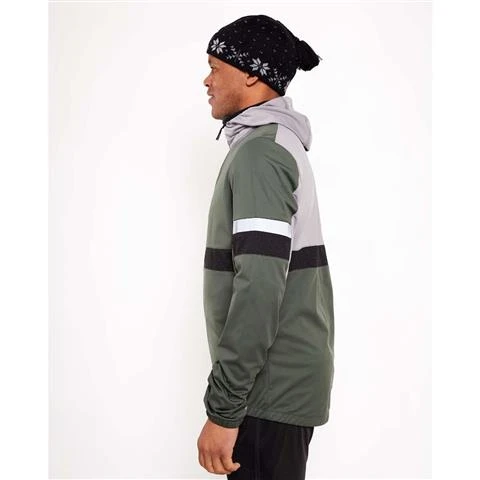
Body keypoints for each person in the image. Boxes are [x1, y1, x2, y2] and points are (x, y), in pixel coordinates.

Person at [197, 14, 335, 479]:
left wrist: (224, 409)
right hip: (275, 389)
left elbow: (258, 287)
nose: (207, 80)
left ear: (252, 74)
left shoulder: (262, 153)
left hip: (266, 394)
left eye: (215, 67)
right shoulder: (275, 144)